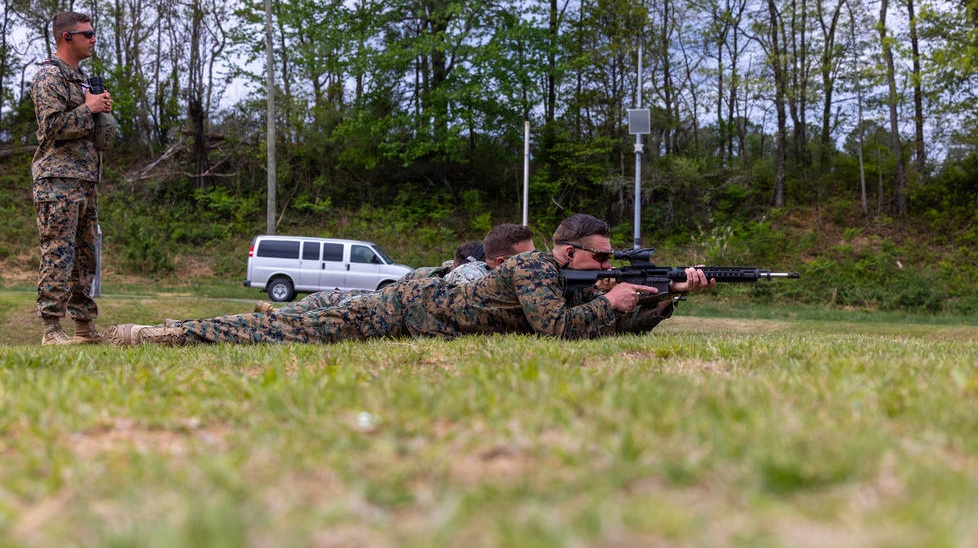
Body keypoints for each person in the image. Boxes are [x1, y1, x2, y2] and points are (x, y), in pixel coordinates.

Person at [104, 213, 713, 347]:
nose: (607, 271)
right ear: (570, 252)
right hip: (397, 311)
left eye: (612, 264)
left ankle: (173, 332)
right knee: (285, 331)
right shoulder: (533, 267)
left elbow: (594, 324)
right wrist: (619, 302)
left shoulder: (567, 277)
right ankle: (161, 335)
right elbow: (559, 329)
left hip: (415, 309)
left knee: (287, 323)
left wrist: (666, 300)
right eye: (601, 261)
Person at [29, 11, 113, 345]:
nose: (93, 39)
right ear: (67, 37)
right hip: (57, 182)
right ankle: (51, 329)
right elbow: (49, 129)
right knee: (58, 254)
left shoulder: (81, 78)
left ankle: (84, 328)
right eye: (88, 33)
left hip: (85, 181)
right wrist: (88, 110)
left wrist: (99, 109)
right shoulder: (49, 76)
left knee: (84, 256)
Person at [253, 223, 536, 315]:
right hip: (379, 305)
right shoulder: (471, 276)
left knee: (325, 302)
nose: (535, 262)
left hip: (383, 301)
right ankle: (276, 313)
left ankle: (275, 311)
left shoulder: (479, 274)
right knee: (327, 305)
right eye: (530, 256)